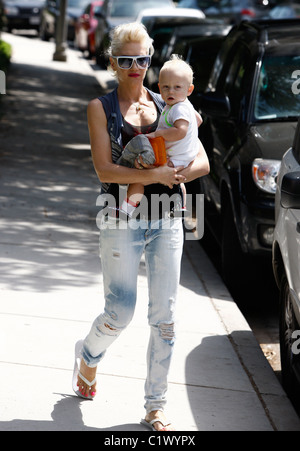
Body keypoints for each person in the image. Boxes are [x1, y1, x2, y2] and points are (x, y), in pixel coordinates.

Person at [72, 22, 210, 432]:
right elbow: (105, 169)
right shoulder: (101, 107)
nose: (136, 67)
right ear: (114, 62)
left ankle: (156, 405)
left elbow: (202, 161)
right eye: (127, 60)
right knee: (120, 311)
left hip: (166, 217)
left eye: (143, 59)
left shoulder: (168, 102)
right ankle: (88, 357)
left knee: (164, 316)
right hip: (120, 216)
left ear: (150, 60)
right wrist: (156, 176)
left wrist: (179, 176)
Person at [120, 54, 202, 218]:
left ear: (189, 89)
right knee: (179, 183)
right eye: (166, 87)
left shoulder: (178, 108)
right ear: (159, 87)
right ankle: (182, 206)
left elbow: (180, 131)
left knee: (138, 179)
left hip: (175, 158)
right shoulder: (183, 106)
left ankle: (125, 211)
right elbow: (199, 119)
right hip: (183, 157)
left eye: (177, 87)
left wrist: (159, 134)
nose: (170, 91)